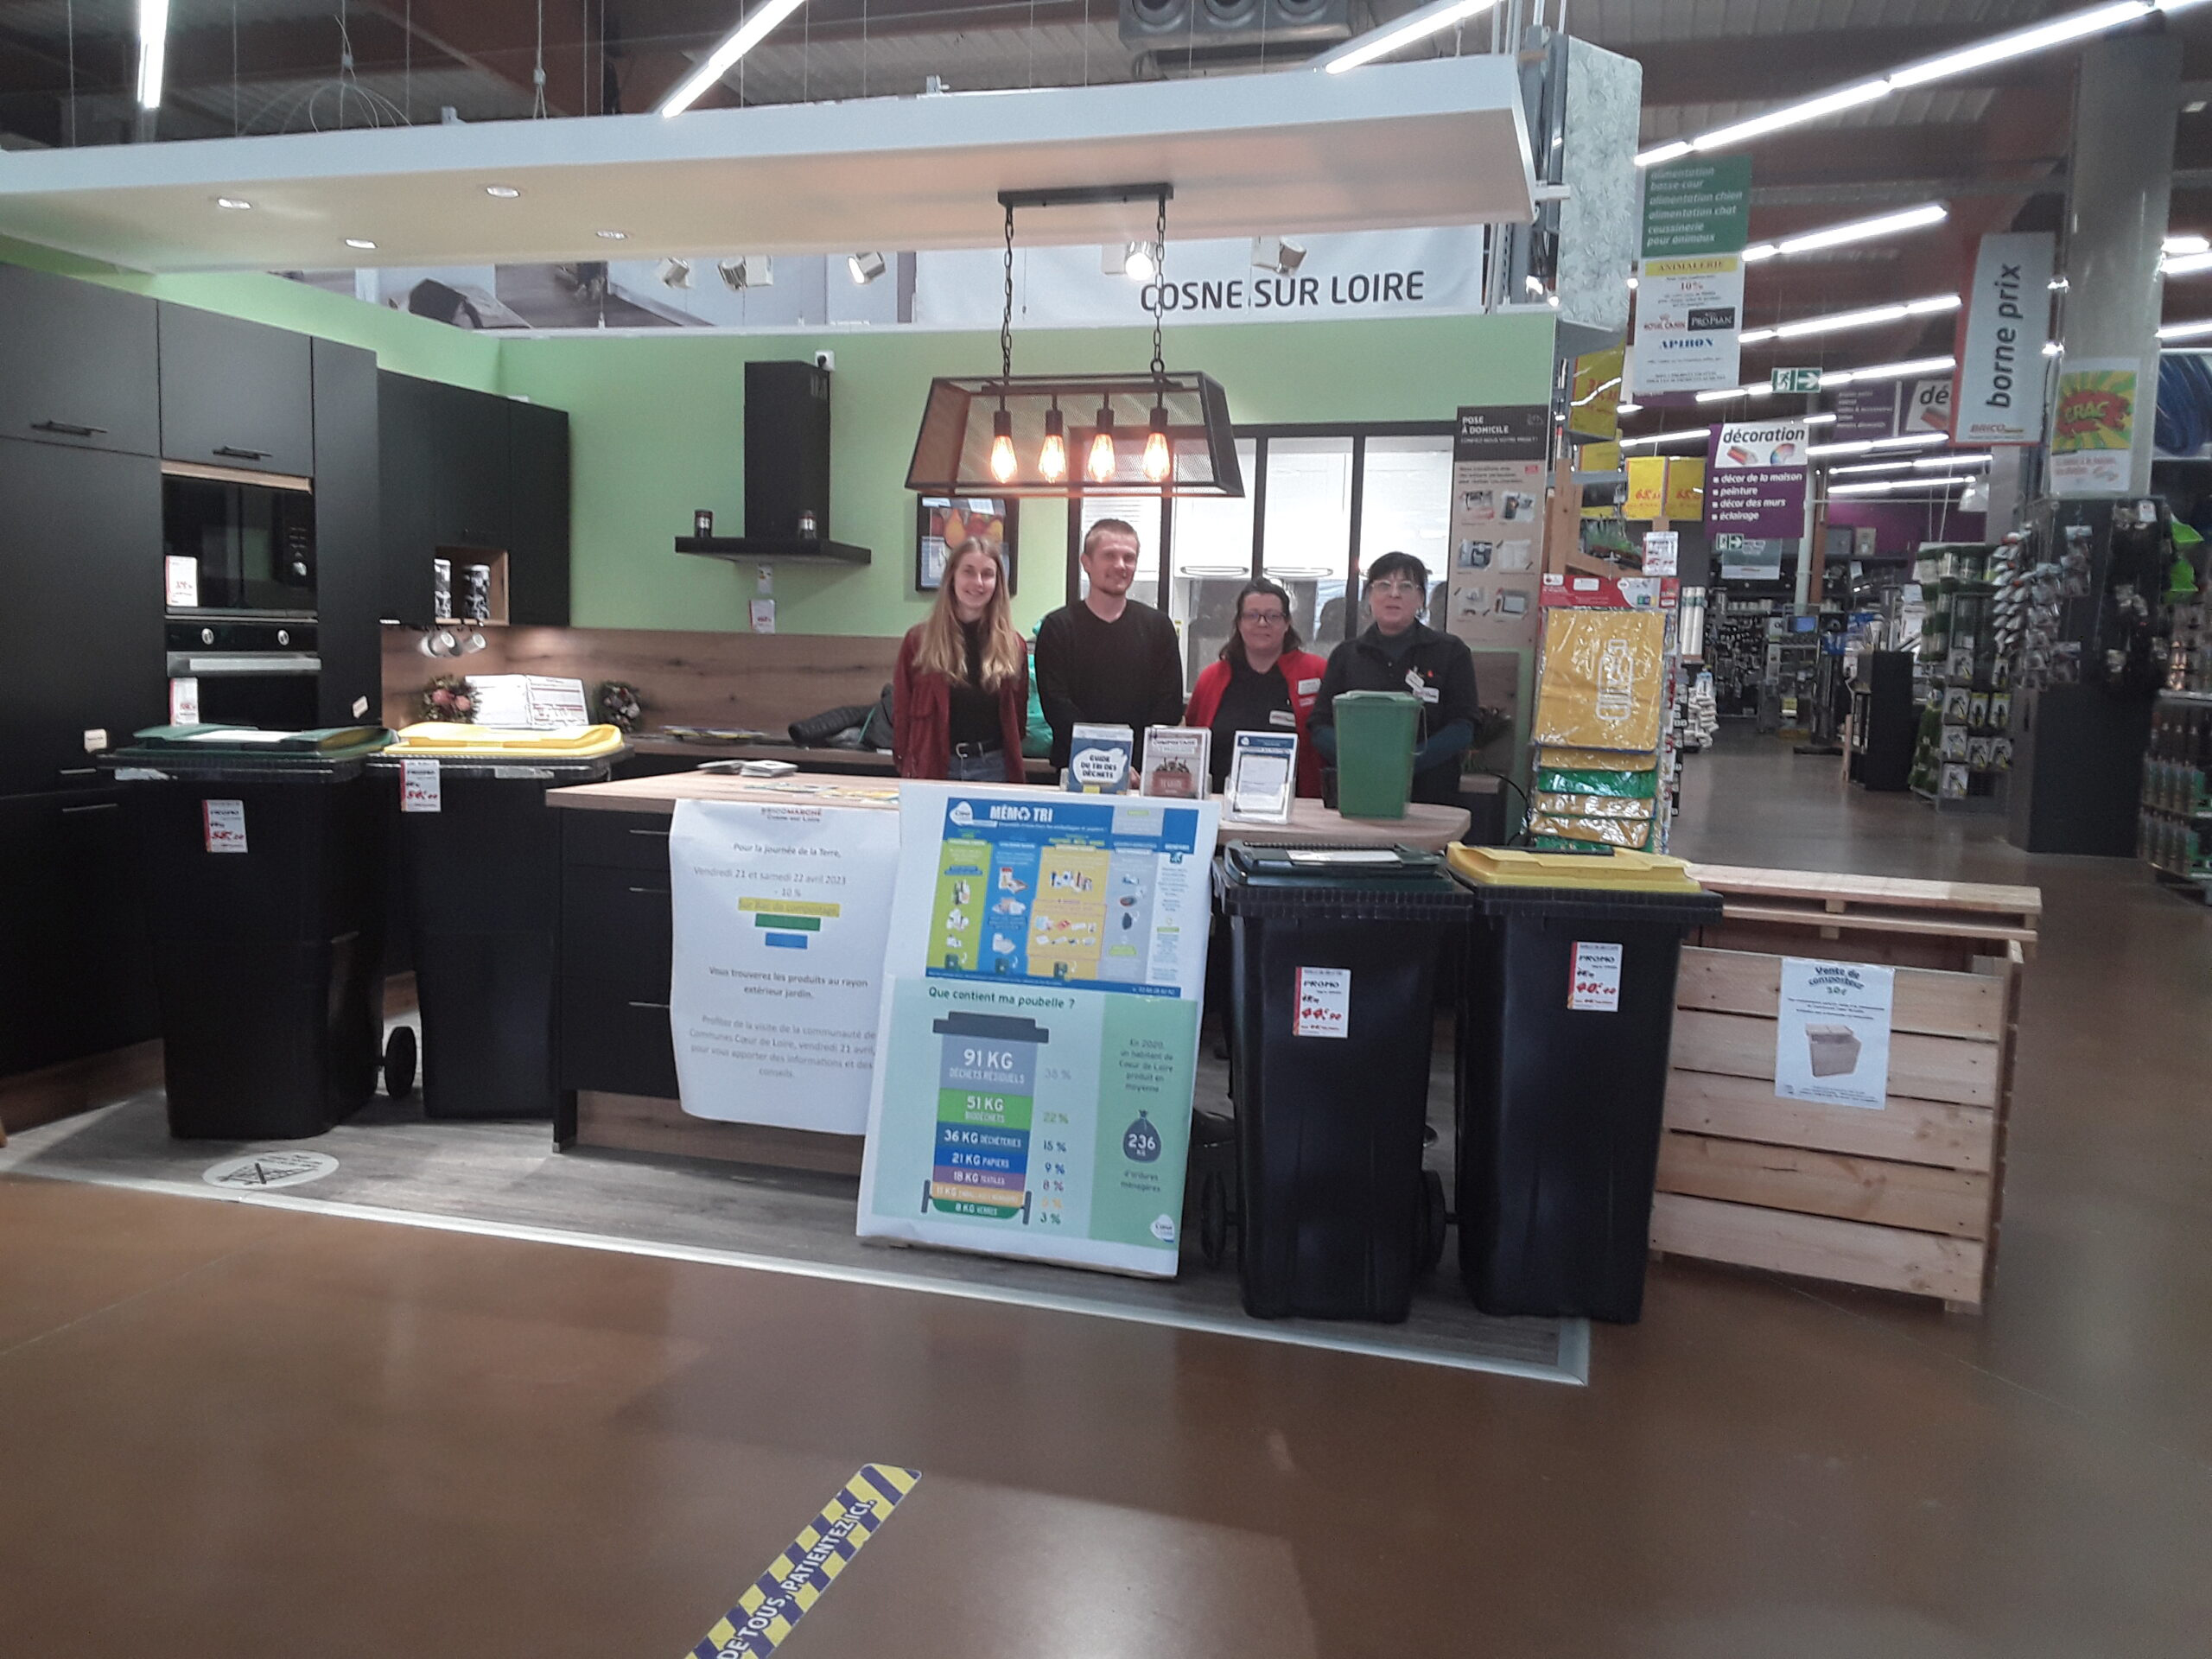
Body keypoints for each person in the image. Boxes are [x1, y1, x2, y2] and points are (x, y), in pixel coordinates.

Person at [1309, 550, 1480, 806]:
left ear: (1421, 598)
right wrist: (1358, 758)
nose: (1394, 594)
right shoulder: (1346, 655)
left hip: (1431, 793)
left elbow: (1464, 725)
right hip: (1360, 787)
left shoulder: (1450, 651)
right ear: (1369, 597)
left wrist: (1407, 761)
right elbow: (1319, 725)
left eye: (1406, 586)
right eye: (1384, 586)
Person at [1033, 518, 1185, 774]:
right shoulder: (1057, 628)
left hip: (1141, 772)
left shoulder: (1159, 627)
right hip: (1075, 768)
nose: (1120, 565)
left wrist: (1130, 764)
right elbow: (1058, 708)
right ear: (1087, 563)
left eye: (1129, 557)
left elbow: (1168, 707)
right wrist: (1108, 764)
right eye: (1109, 556)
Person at [892, 537, 1029, 783]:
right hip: (934, 766)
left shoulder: (1013, 645)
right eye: (968, 572)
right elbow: (902, 712)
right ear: (951, 577)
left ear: (998, 583)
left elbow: (1017, 720)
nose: (978, 582)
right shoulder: (918, 641)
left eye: (987, 574)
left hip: (994, 768)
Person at [1182, 577, 1328, 796]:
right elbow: (1193, 742)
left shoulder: (1317, 672)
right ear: (1239, 623)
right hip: (1222, 807)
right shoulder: (1211, 678)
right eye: (1252, 615)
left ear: (1287, 623)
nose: (1262, 623)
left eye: (1272, 616)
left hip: (1300, 811)